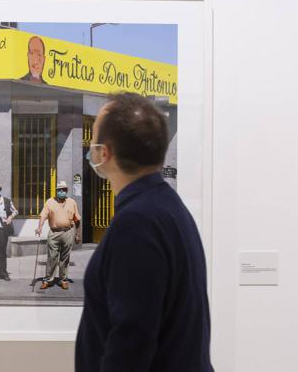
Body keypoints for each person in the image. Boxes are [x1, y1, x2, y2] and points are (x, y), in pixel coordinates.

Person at [76, 92, 213, 372]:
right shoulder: (167, 208)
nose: (91, 148)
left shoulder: (137, 224)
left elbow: (132, 340)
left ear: (106, 152)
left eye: (93, 139)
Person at [35, 181, 81, 290]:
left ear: (67, 191)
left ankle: (63, 280)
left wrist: (77, 234)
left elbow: (77, 219)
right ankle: (48, 280)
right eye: (59, 190)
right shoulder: (50, 202)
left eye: (64, 189)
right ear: (56, 191)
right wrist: (39, 227)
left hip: (68, 232)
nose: (61, 191)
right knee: (52, 257)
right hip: (54, 233)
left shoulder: (72, 202)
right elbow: (43, 215)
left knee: (65, 258)